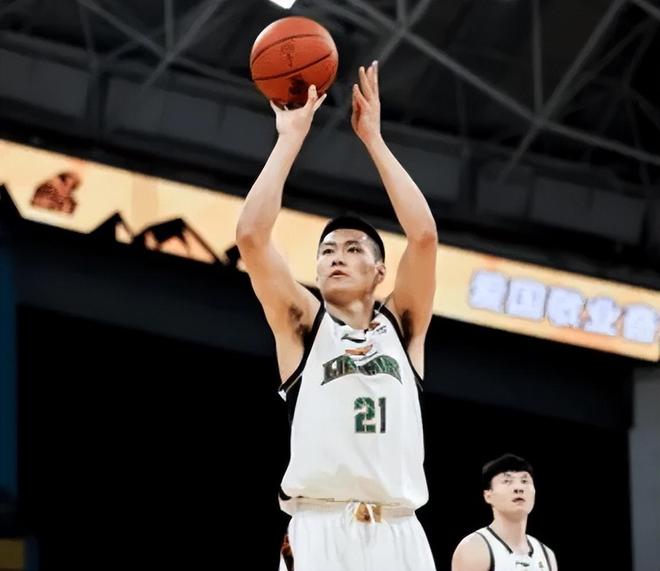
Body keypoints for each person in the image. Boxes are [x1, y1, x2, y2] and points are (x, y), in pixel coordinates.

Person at [235, 61, 438, 571]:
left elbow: (424, 238)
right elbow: (252, 238)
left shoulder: (402, 327)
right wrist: (289, 139)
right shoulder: (304, 324)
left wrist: (374, 140)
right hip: (320, 525)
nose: (336, 257)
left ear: (379, 271)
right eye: (326, 251)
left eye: (352, 249)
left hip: (400, 529)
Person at [451, 454, 558, 571]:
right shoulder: (474, 548)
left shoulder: (547, 555)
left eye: (524, 481)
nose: (519, 488)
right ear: (488, 495)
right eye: (507, 481)